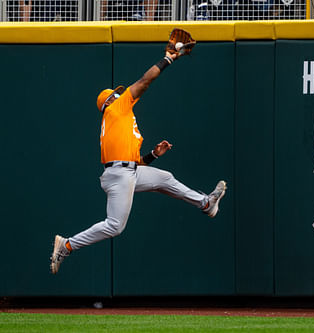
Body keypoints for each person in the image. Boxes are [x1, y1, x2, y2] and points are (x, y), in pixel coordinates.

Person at [50, 42, 227, 275]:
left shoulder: (118, 122)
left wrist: (153, 154)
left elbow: (136, 162)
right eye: (117, 93)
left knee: (165, 178)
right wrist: (168, 59)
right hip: (120, 175)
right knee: (115, 226)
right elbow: (145, 81)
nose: (122, 93)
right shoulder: (116, 109)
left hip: (127, 170)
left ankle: (206, 203)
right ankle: (67, 245)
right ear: (111, 100)